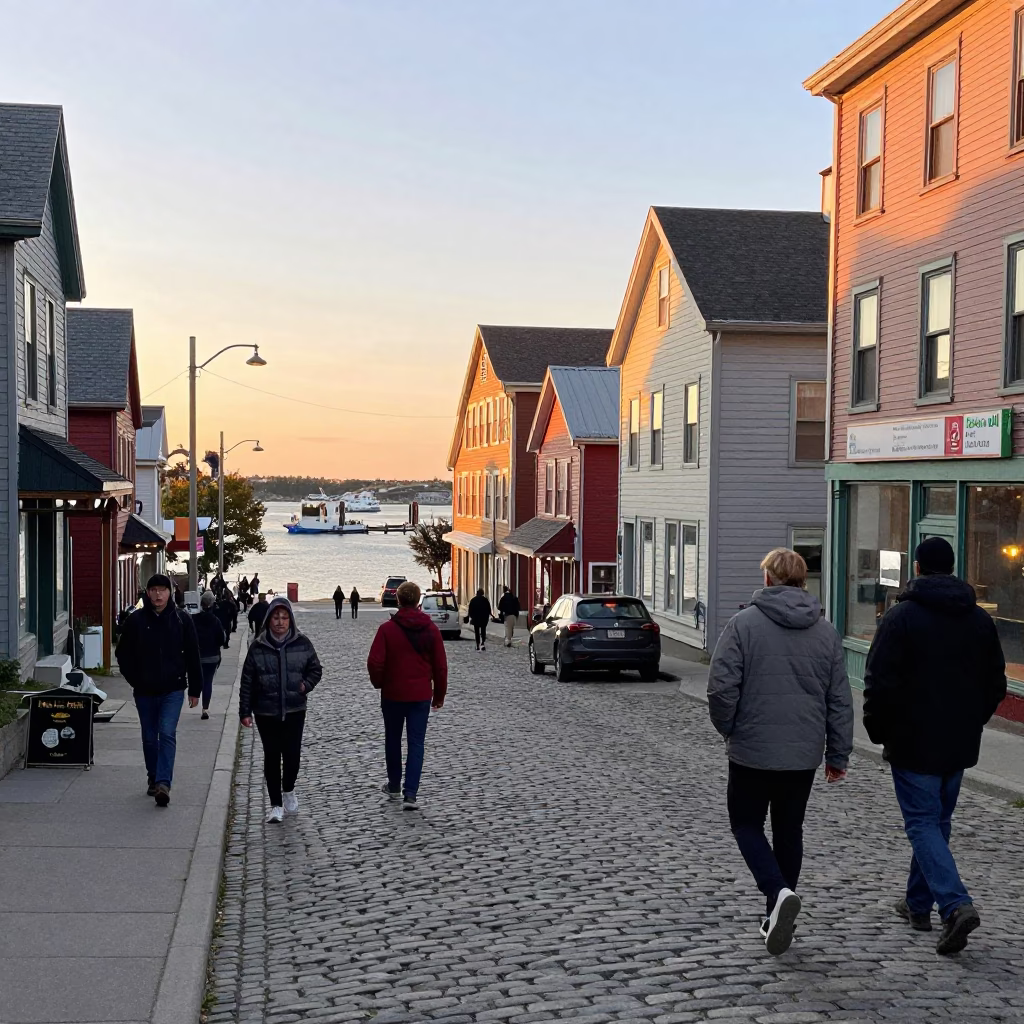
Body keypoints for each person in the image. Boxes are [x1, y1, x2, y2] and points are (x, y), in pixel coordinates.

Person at [864, 536, 1006, 955]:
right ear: (953, 568)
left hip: (912, 740)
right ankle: (916, 904)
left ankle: (955, 904)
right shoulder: (979, 620)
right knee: (936, 823)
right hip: (959, 741)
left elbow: (879, 680)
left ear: (919, 568)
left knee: (923, 824)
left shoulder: (901, 617)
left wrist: (878, 728)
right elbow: (995, 684)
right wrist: (972, 720)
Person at [708, 548, 853, 956]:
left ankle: (777, 892)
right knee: (789, 830)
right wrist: (837, 755)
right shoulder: (826, 632)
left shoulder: (742, 625)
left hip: (751, 750)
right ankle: (776, 910)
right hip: (803, 754)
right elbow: (839, 699)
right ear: (803, 581)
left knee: (746, 825)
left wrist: (729, 728)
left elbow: (720, 688)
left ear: (768, 579)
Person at [115, 573, 203, 807]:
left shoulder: (182, 620)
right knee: (148, 737)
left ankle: (164, 783)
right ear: (148, 592)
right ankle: (153, 776)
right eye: (153, 590)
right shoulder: (135, 621)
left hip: (173, 689)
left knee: (166, 732)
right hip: (144, 690)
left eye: (162, 590)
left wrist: (196, 689)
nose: (158, 594)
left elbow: (194, 656)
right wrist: (135, 679)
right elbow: (122, 654)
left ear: (169, 593)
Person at [239, 597, 323, 824]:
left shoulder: (302, 643)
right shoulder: (258, 646)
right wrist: (245, 712)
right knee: (272, 756)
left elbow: (316, 669)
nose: (280, 622)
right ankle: (275, 804)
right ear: (269, 620)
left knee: (292, 755)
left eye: (284, 618)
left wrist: (304, 686)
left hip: (295, 709)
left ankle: (288, 790)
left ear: (290, 620)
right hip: (266, 711)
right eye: (276, 617)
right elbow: (247, 680)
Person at [367, 581, 448, 810]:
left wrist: (379, 683)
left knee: (393, 740)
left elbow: (375, 662)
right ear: (418, 601)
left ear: (399, 600)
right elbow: (441, 667)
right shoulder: (431, 629)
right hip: (420, 695)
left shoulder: (387, 630)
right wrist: (439, 695)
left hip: (393, 694)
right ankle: (410, 793)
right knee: (416, 743)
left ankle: (394, 784)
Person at [193, 591, 227, 720]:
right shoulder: (215, 620)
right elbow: (222, 638)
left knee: (197, 680)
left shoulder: (194, 619)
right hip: (212, 656)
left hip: (197, 656)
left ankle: (193, 700)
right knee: (208, 682)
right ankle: (205, 708)